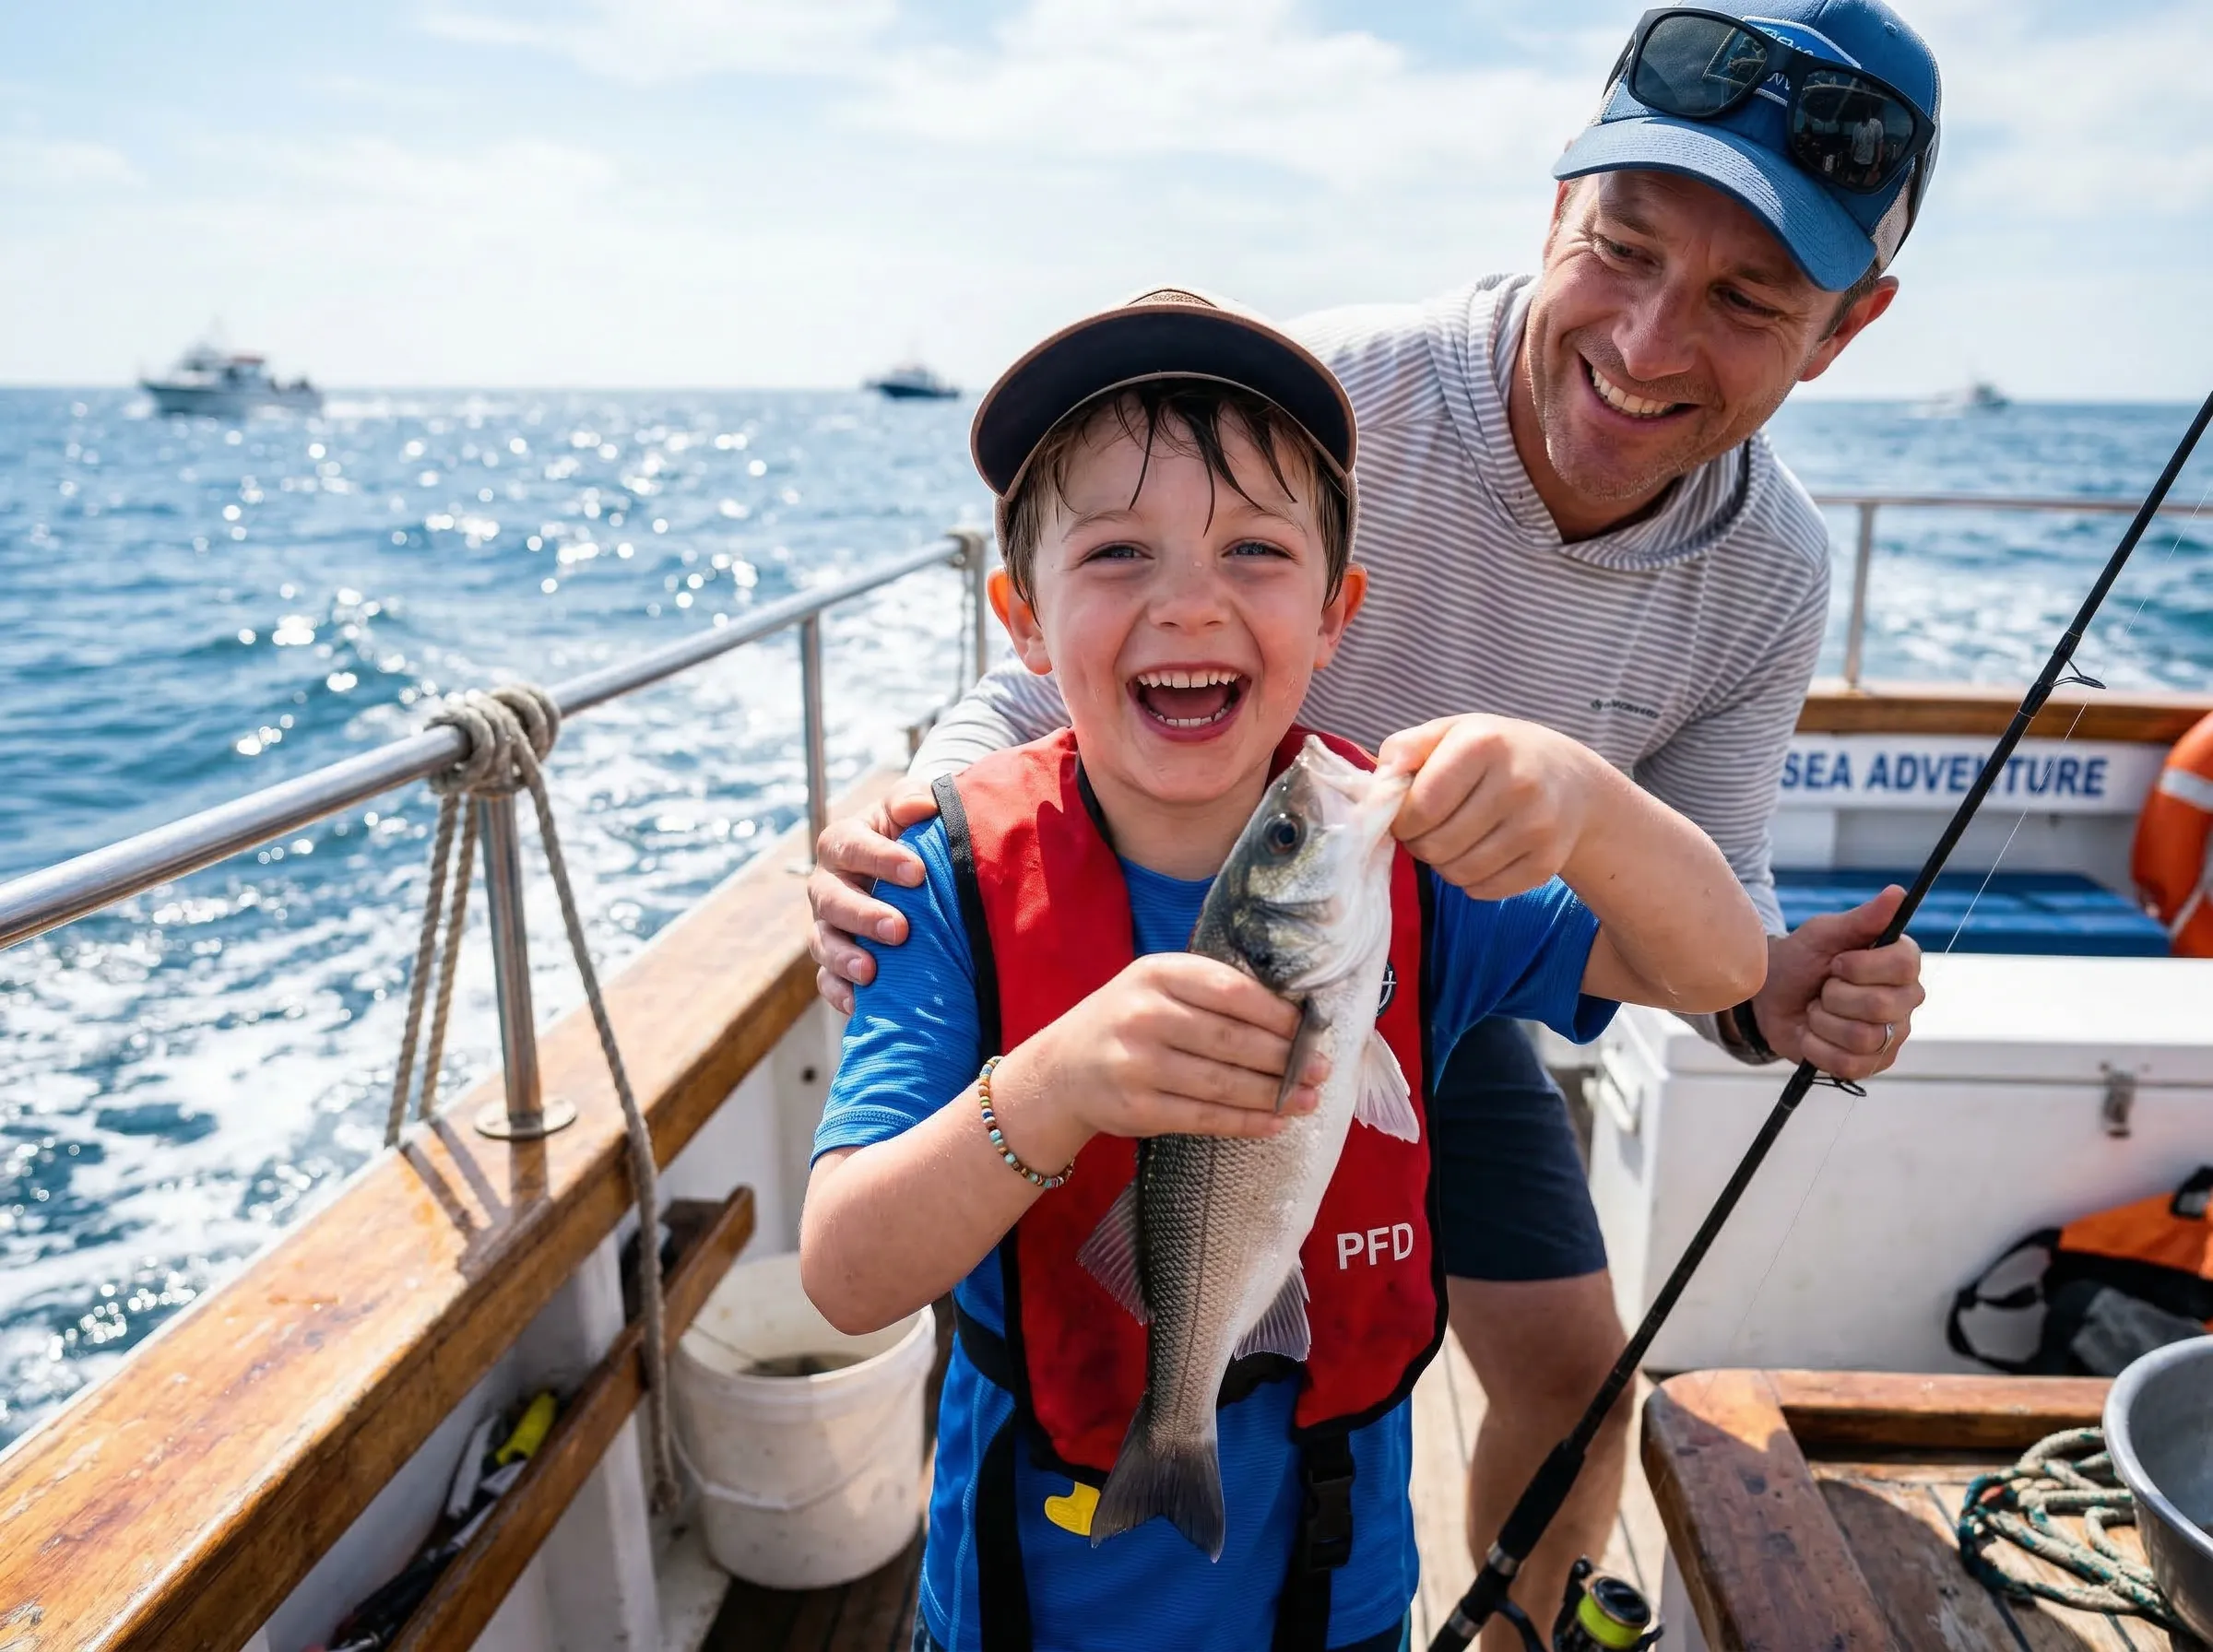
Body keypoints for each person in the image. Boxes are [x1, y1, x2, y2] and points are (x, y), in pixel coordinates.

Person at [810, 0, 1942, 1637]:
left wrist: (1713, 927)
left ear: (1843, 332)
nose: (1644, 341)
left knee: (1576, 1375)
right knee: (1068, 1322)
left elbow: (1706, 949)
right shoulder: (1313, 395)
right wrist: (900, 814)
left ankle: (1510, 1622)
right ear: (1557, 213)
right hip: (1141, 944)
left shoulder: (1770, 572)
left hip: (1418, 951)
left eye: (1748, 300)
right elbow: (1038, 701)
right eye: (1620, 250)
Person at [799, 290, 1769, 1652]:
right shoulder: (945, 888)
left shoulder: (1410, 865)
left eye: (1255, 550)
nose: (1188, 601)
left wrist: (1593, 804)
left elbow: (1723, 963)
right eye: (1121, 552)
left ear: (1337, 615)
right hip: (1024, 1605)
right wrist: (1054, 1087)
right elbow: (844, 1275)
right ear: (1022, 619)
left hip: (1335, 1593)